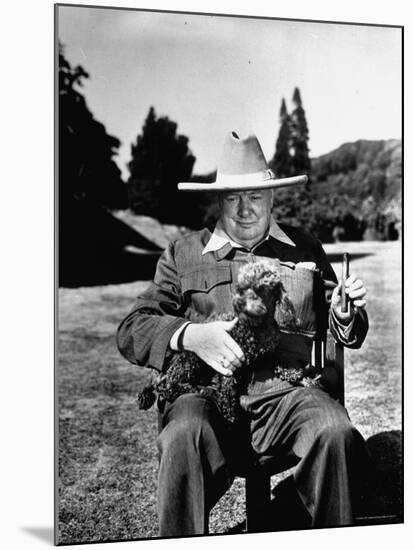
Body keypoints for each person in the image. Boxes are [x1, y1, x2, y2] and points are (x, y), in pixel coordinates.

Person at [116, 131, 369, 536]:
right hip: (206, 400)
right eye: (233, 198)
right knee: (183, 433)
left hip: (287, 396)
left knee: (334, 430)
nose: (245, 209)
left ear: (272, 197)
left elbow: (344, 324)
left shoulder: (304, 248)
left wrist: (343, 313)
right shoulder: (182, 255)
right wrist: (193, 337)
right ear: (218, 200)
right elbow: (133, 327)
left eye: (254, 196)